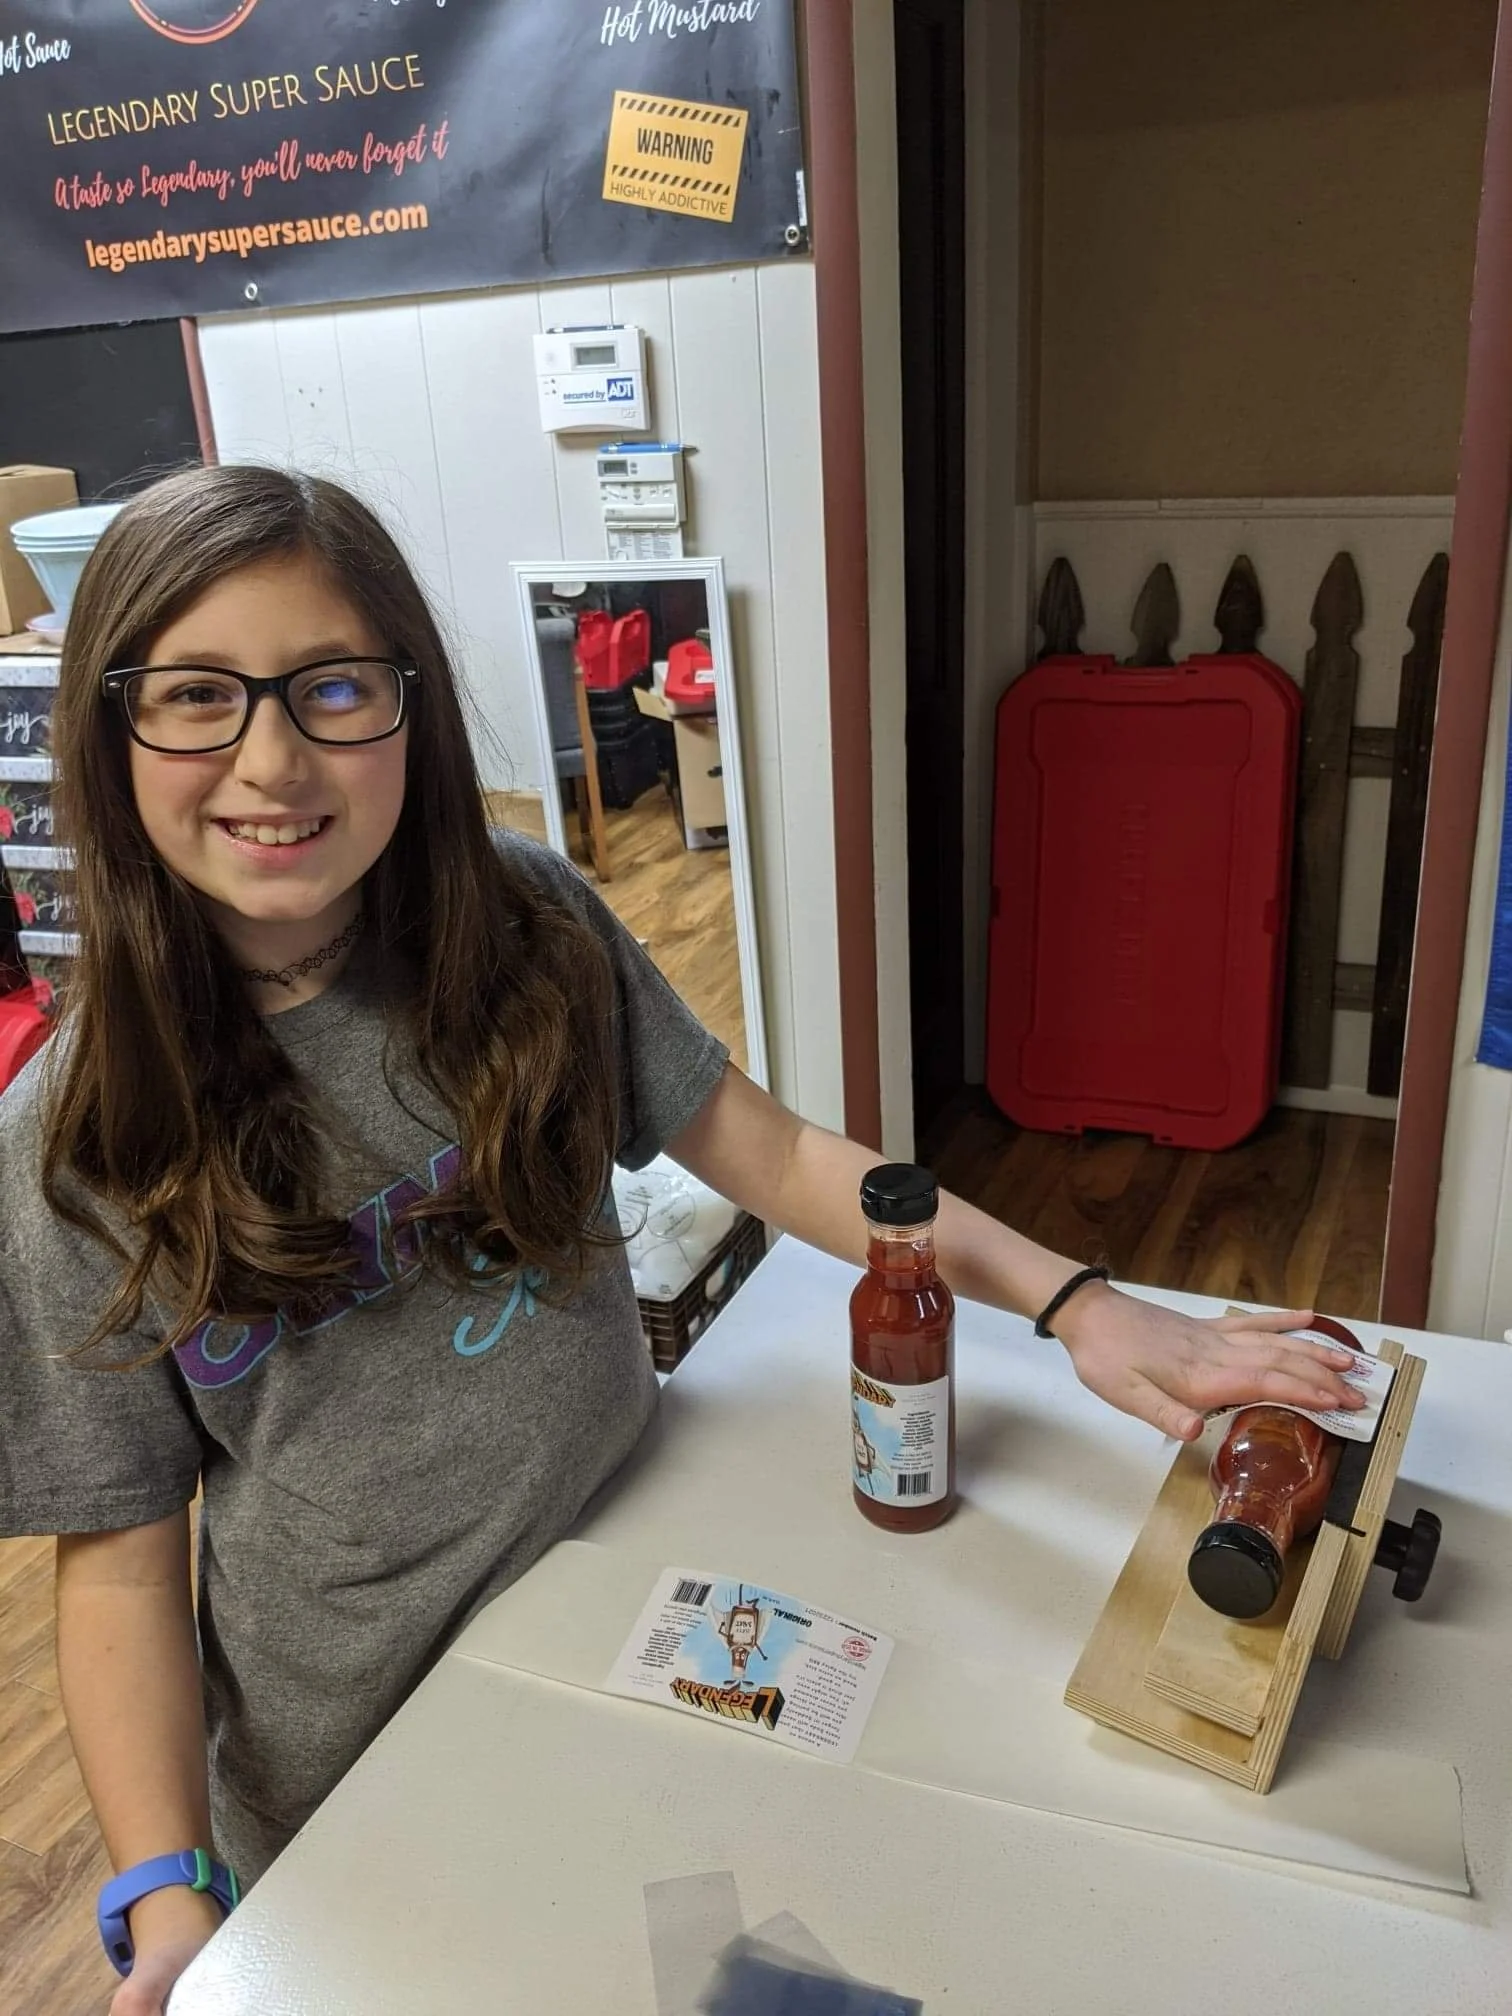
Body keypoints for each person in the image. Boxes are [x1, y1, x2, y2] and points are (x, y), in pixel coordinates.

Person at [0, 466, 1364, 2014]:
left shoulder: (528, 927)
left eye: (331, 688)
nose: (272, 757)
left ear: (412, 707)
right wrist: (159, 1887)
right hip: (360, 1754)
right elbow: (115, 1565)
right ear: (109, 737)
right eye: (194, 697)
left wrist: (1077, 1301)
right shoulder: (71, 1136)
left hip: (640, 1583)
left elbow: (775, 1151)